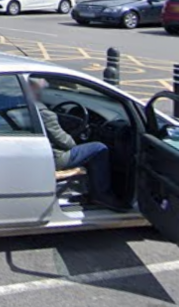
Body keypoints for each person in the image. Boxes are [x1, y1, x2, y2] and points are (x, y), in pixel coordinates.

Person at [28, 78, 125, 210]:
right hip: (55, 158)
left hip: (38, 153)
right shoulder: (44, 113)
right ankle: (101, 195)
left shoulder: (25, 105)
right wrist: (76, 142)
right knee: (98, 148)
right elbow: (65, 142)